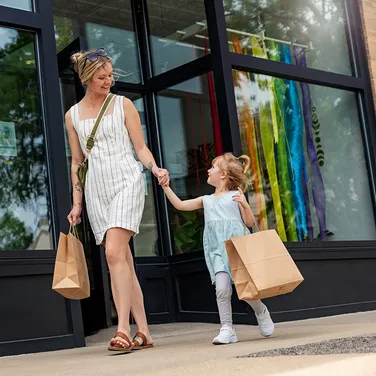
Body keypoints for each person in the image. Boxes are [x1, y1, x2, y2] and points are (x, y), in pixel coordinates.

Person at [65, 48, 169, 352]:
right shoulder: (72, 116)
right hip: (97, 189)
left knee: (113, 253)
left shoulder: (123, 105)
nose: (109, 80)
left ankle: (123, 329)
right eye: (102, 76)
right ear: (86, 78)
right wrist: (77, 203)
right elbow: (76, 162)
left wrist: (154, 167)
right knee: (121, 259)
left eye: (111, 75)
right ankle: (145, 331)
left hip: (126, 180)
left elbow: (141, 147)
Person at [162, 153, 274, 344]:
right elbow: (180, 205)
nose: (208, 170)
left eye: (212, 167)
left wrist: (246, 206)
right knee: (222, 290)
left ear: (223, 174)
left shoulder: (235, 196)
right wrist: (165, 186)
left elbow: (249, 222)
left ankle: (261, 311)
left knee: (245, 290)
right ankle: (227, 328)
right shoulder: (206, 200)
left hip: (237, 249)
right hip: (217, 251)